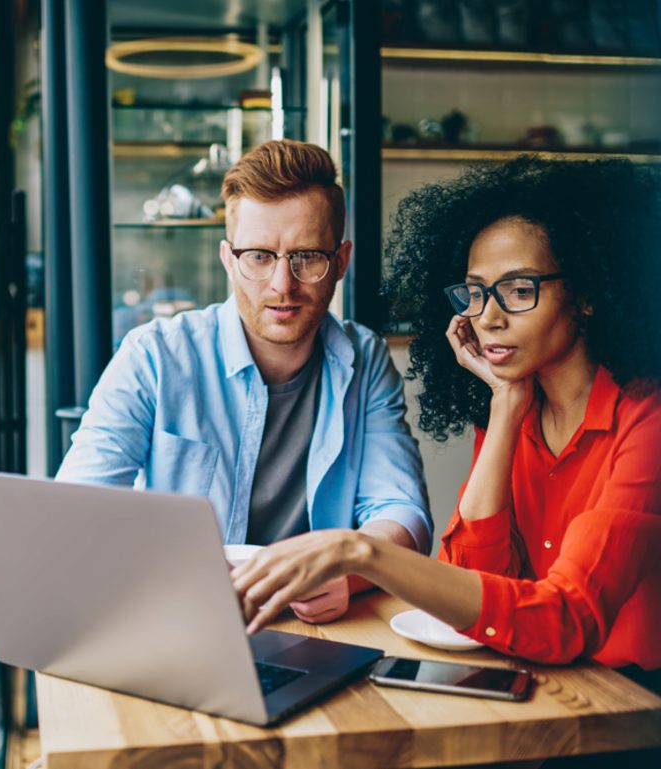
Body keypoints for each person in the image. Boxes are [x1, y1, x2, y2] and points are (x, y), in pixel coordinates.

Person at [232, 157, 661, 703]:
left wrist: (359, 552)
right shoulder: (517, 409)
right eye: (477, 292)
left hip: (632, 706)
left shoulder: (648, 422)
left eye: (519, 289)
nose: (489, 317)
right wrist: (504, 407)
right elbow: (478, 585)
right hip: (548, 687)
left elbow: (566, 617)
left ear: (586, 293)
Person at [58, 139, 432, 624]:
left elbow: (403, 511)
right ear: (228, 259)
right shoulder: (154, 355)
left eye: (307, 257)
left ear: (340, 262)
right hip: (177, 616)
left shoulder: (365, 359)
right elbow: (77, 510)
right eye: (258, 256)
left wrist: (350, 574)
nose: (283, 284)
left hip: (319, 629)